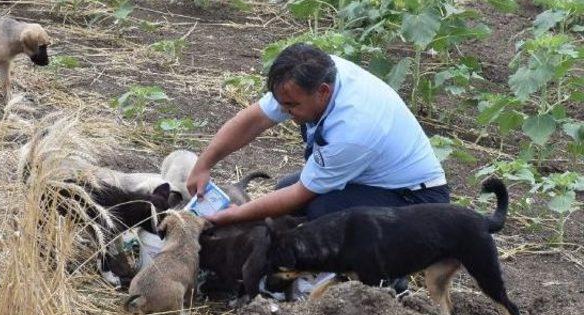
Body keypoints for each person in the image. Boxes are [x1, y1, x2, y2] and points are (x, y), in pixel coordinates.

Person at [186, 43, 450, 227]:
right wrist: (204, 164)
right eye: (282, 104)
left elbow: (301, 193)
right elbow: (255, 119)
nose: (286, 113)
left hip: (415, 200)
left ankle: (389, 275)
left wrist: (237, 215)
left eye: (292, 106)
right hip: (368, 178)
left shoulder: (353, 129)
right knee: (283, 193)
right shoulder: (316, 72)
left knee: (320, 213)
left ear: (323, 92)